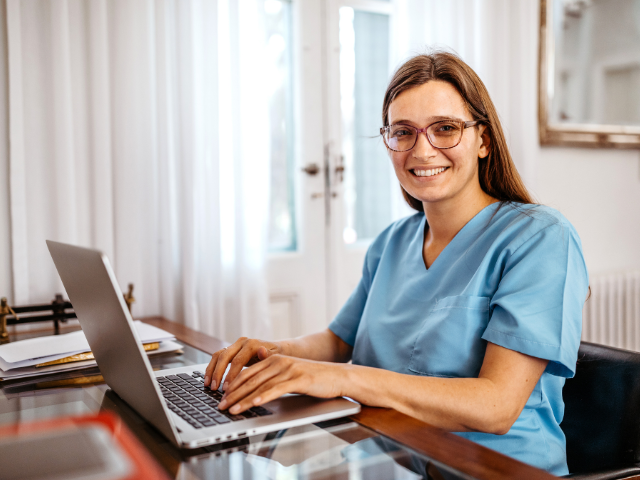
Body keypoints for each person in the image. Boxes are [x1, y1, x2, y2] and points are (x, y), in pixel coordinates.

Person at [203, 51, 588, 476]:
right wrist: (276, 353)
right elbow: (338, 341)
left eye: (445, 129)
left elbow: (497, 407)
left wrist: (340, 379)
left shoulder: (540, 237)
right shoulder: (392, 241)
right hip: (388, 457)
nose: (422, 150)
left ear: (483, 141)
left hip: (491, 469)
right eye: (403, 132)